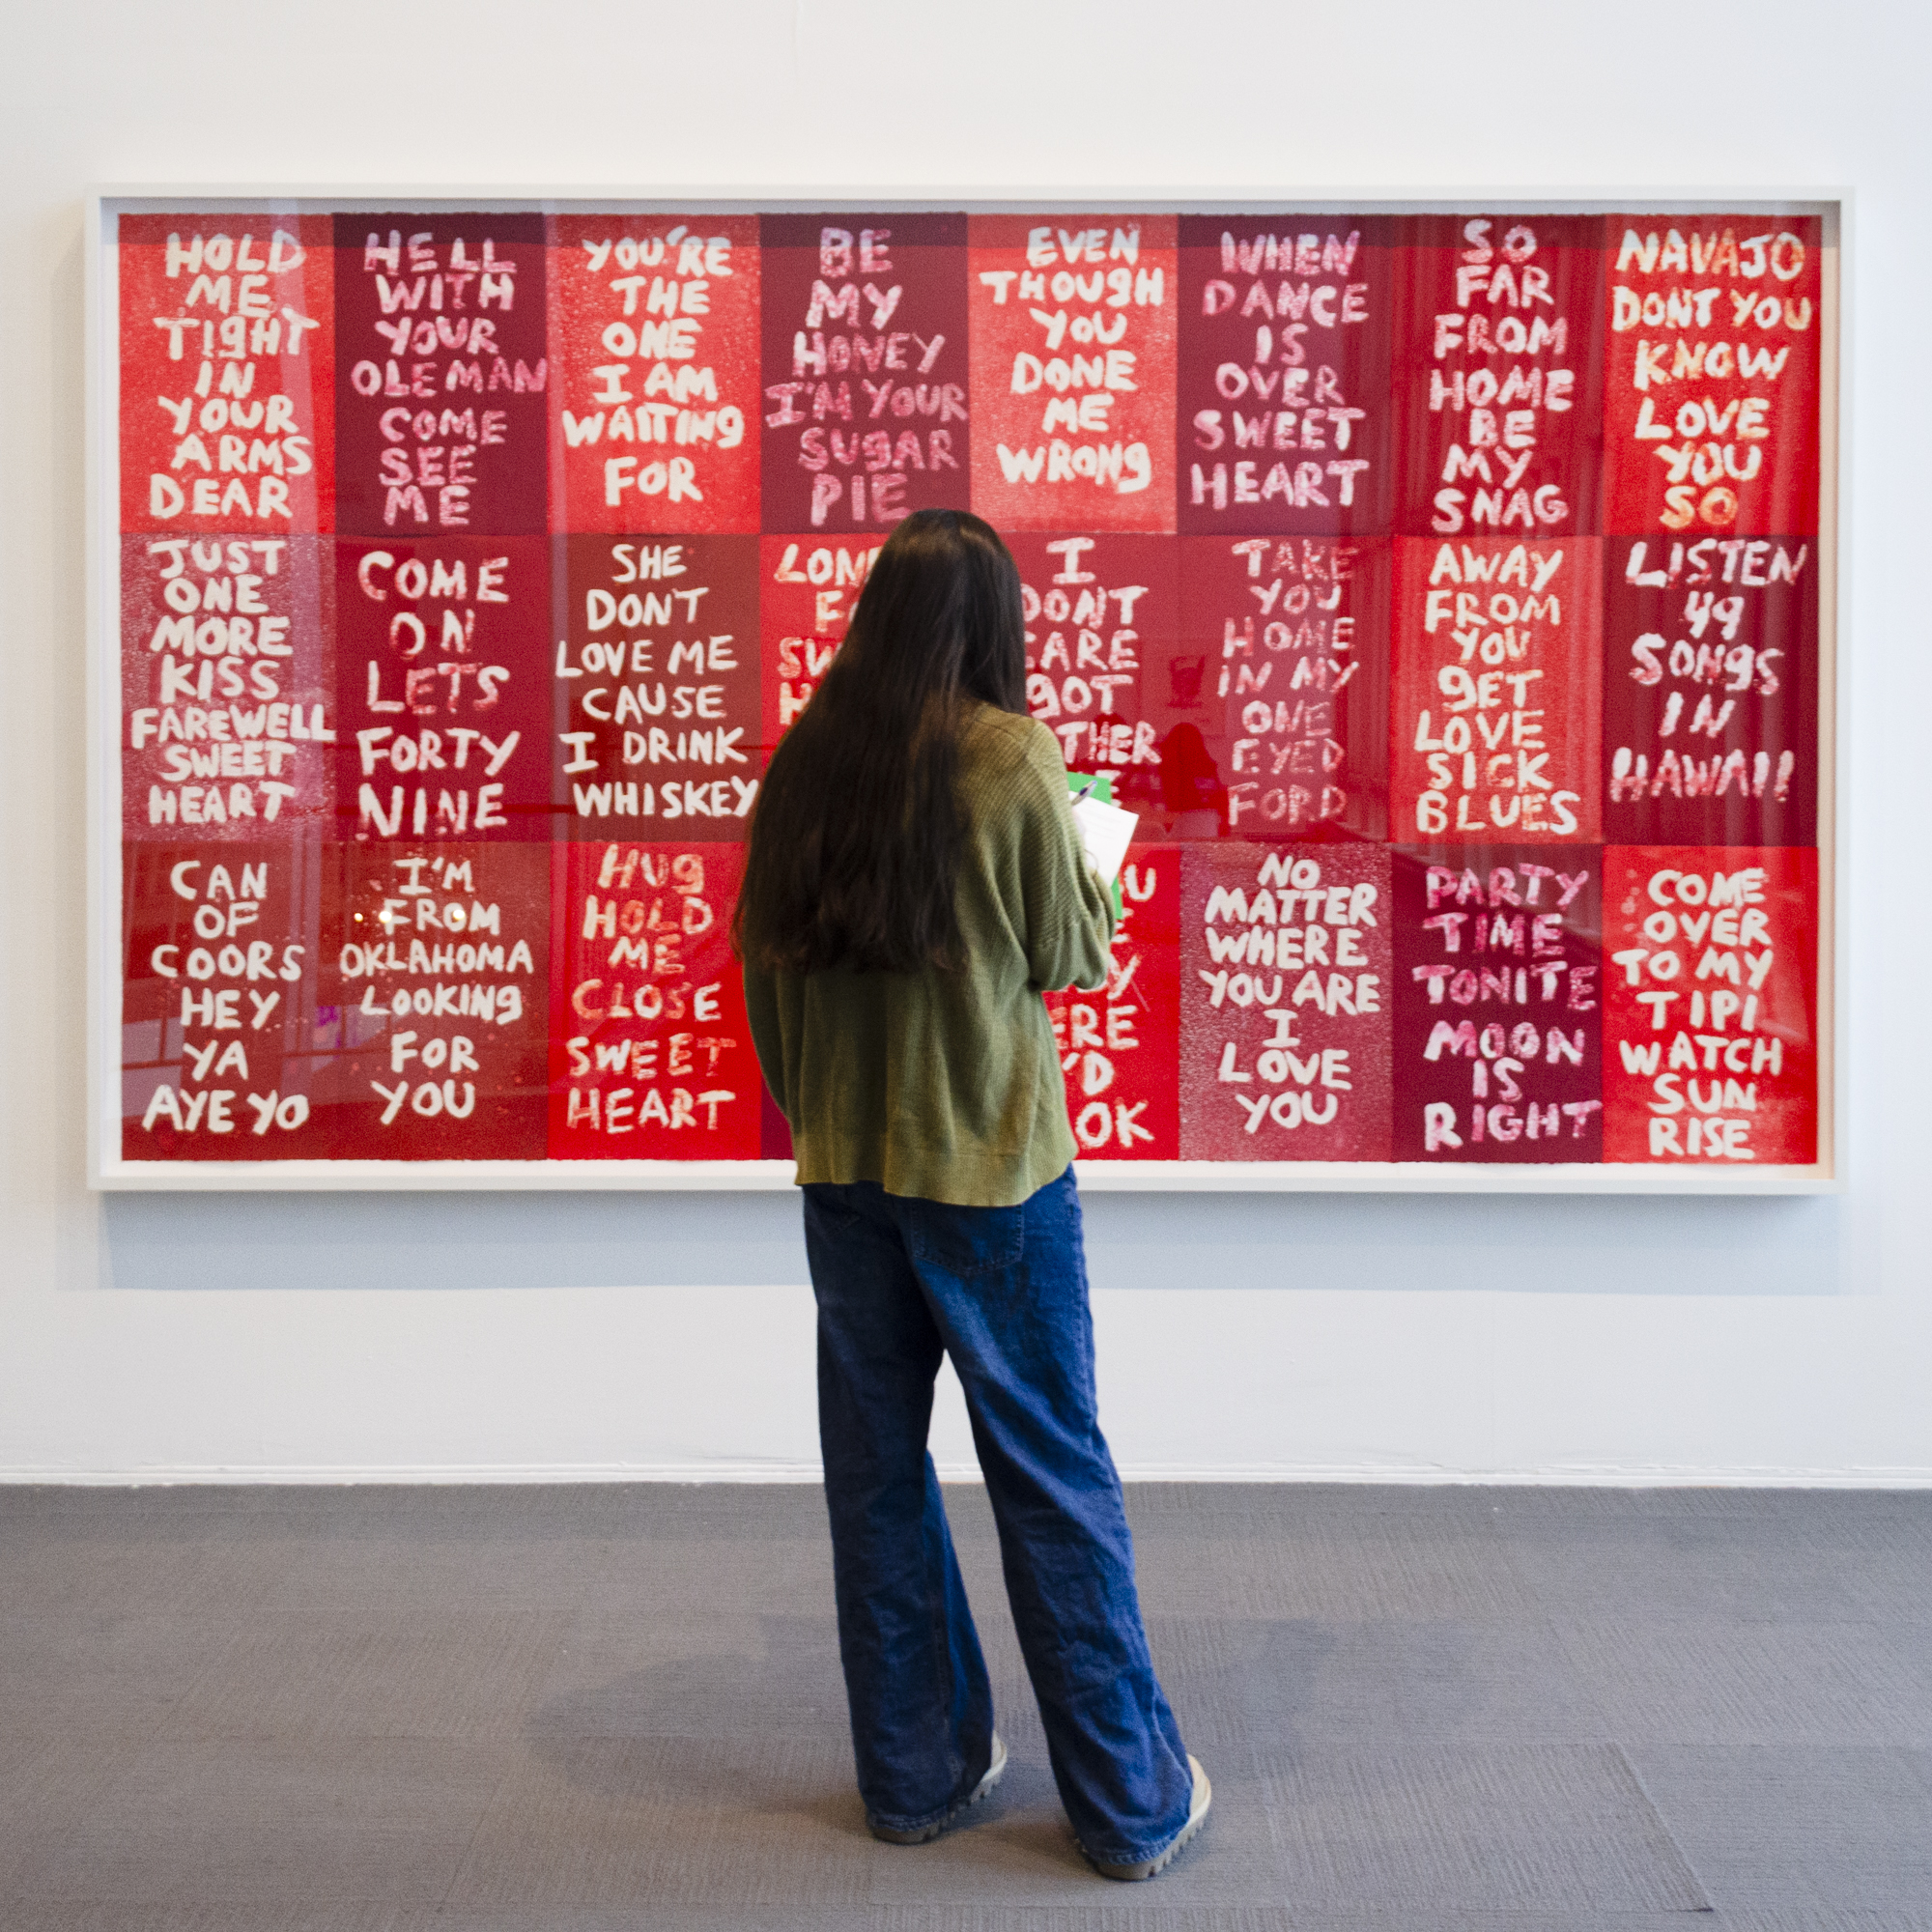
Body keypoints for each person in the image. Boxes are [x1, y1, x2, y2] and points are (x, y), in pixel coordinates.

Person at [734, 508, 1209, 1881]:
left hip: (845, 1179)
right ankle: (1128, 1805)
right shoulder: (1010, 761)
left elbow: (764, 972)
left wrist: (829, 1104)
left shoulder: (808, 760)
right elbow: (1072, 955)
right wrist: (1097, 849)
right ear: (994, 625)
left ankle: (916, 1776)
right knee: (1052, 1473)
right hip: (993, 1179)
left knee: (876, 1479)